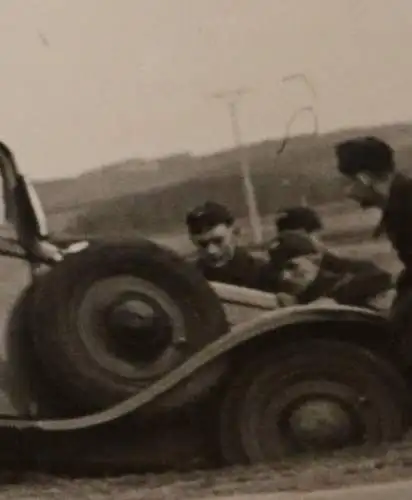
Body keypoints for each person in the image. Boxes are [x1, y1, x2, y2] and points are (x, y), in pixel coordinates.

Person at [334, 136, 412, 319]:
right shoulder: (400, 201)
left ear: (364, 179)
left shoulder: (405, 206)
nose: (347, 193)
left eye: (347, 183)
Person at [269, 231, 394, 310]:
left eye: (292, 267)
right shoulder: (289, 296)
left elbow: (382, 278)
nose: (285, 277)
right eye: (279, 271)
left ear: (314, 259)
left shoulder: (348, 279)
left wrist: (333, 299)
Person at [185, 201, 280, 293]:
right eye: (203, 244)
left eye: (218, 241)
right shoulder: (191, 280)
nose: (211, 251)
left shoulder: (263, 274)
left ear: (235, 232)